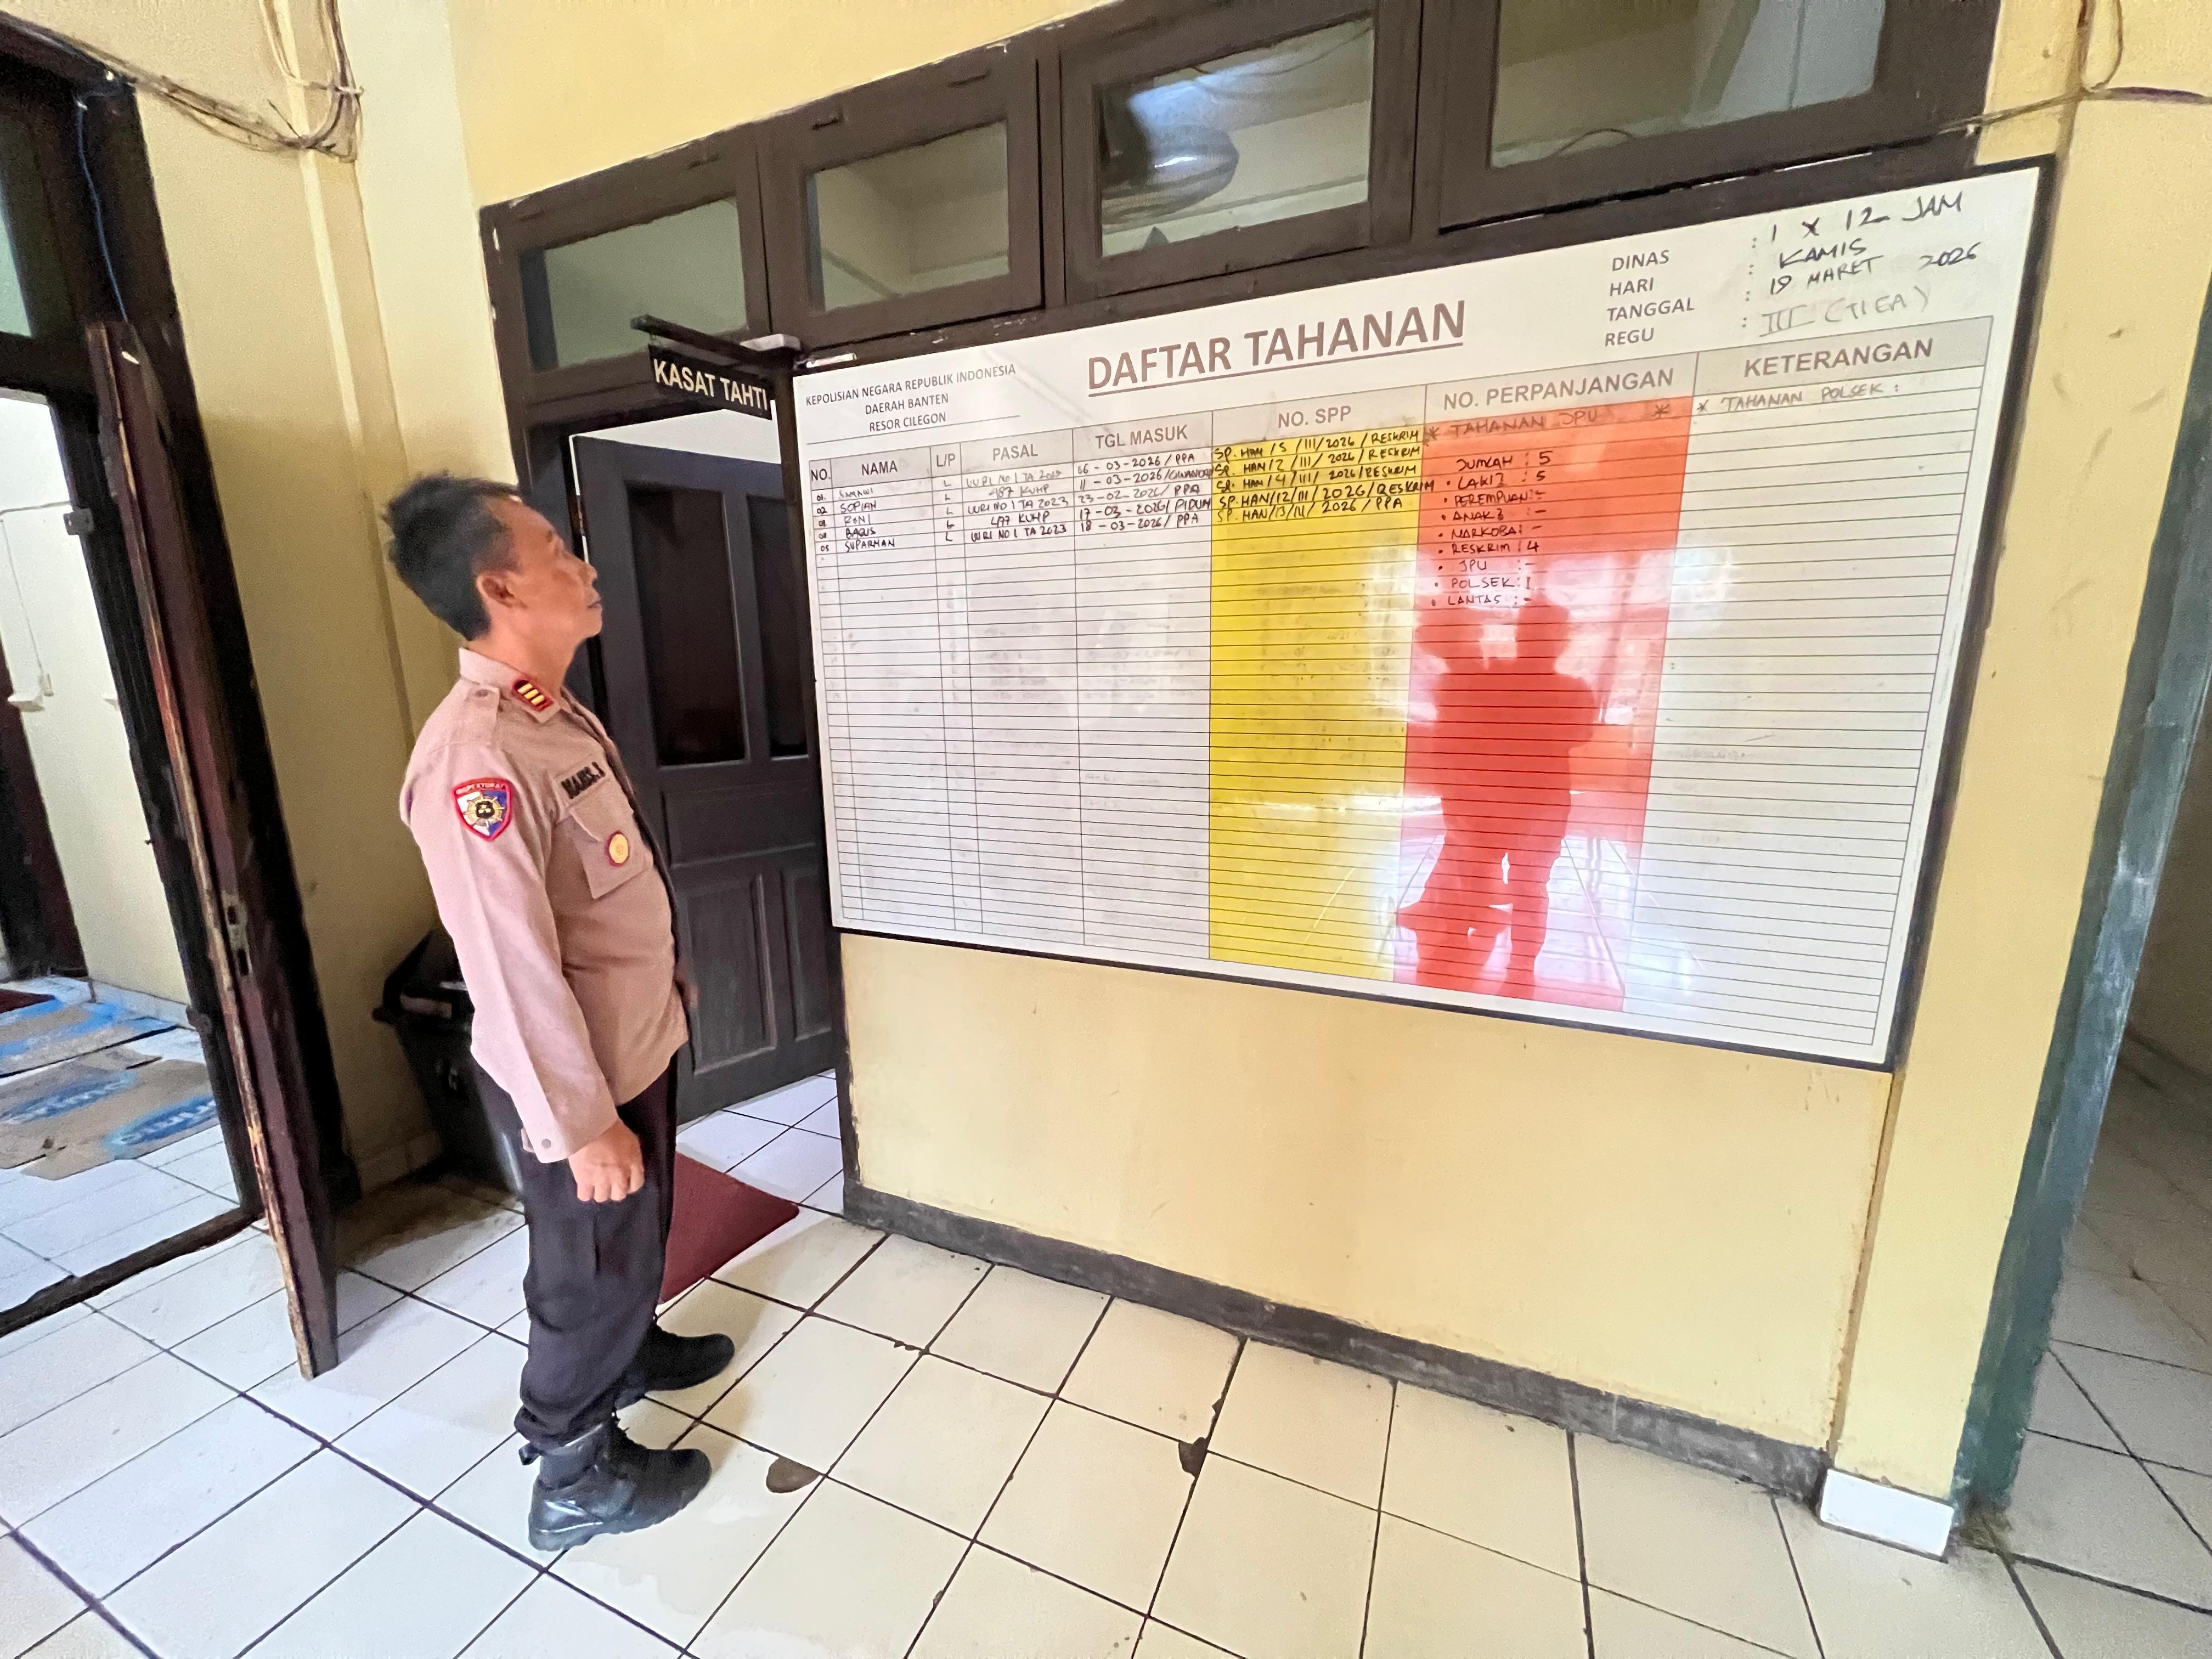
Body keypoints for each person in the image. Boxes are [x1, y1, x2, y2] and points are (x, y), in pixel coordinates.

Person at [385, 473, 730, 1549]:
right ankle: (574, 1469)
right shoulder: (476, 755)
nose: (582, 567)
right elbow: (509, 964)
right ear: (500, 588)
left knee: (635, 1234)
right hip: (575, 1074)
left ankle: (629, 1357)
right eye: (555, 550)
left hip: (629, 1040)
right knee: (585, 1269)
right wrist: (581, 1125)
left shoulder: (546, 713)